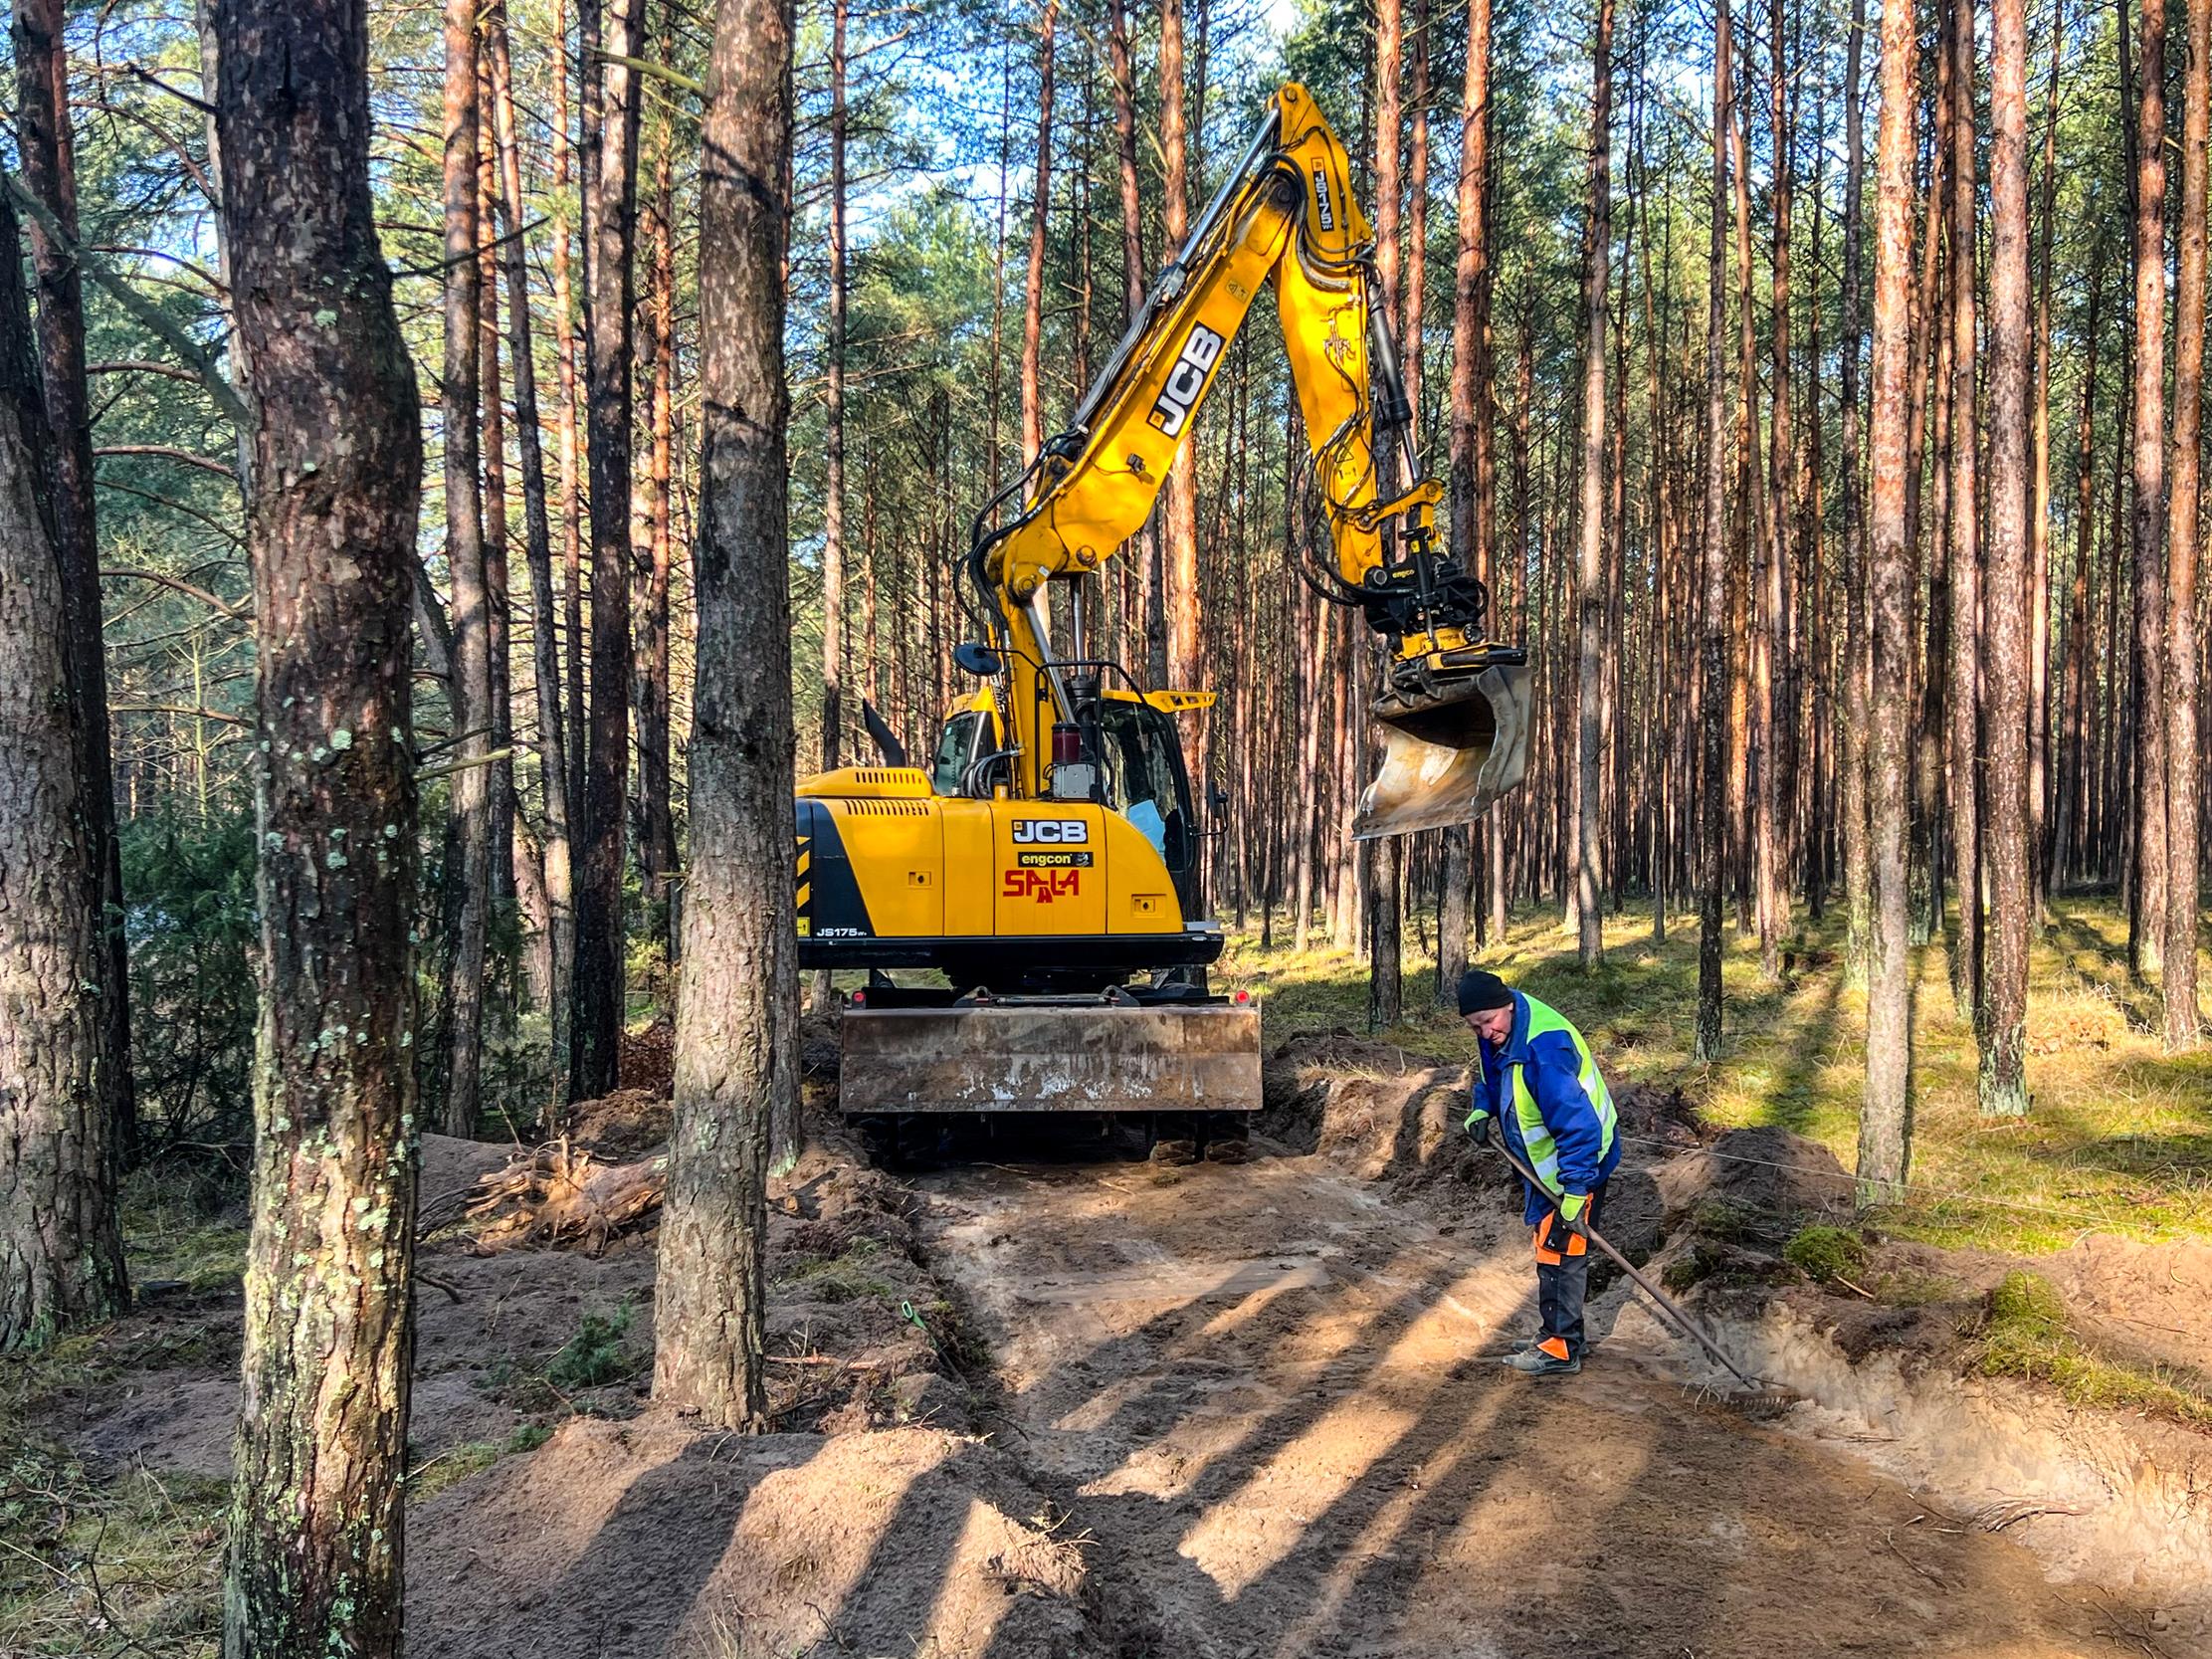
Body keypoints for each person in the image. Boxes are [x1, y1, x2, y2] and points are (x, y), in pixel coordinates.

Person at [1458, 968, 1621, 1378]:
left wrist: (1576, 1190)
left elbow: (1579, 1126)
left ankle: (1561, 1348)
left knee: (1563, 1250)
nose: (1485, 1033)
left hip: (1580, 1162)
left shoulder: (1545, 1051)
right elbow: (1492, 1074)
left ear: (1507, 1006)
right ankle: (1560, 1334)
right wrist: (1483, 1107)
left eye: (1488, 1022)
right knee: (1551, 1245)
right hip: (1548, 1164)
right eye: (1475, 1027)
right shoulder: (1501, 1027)